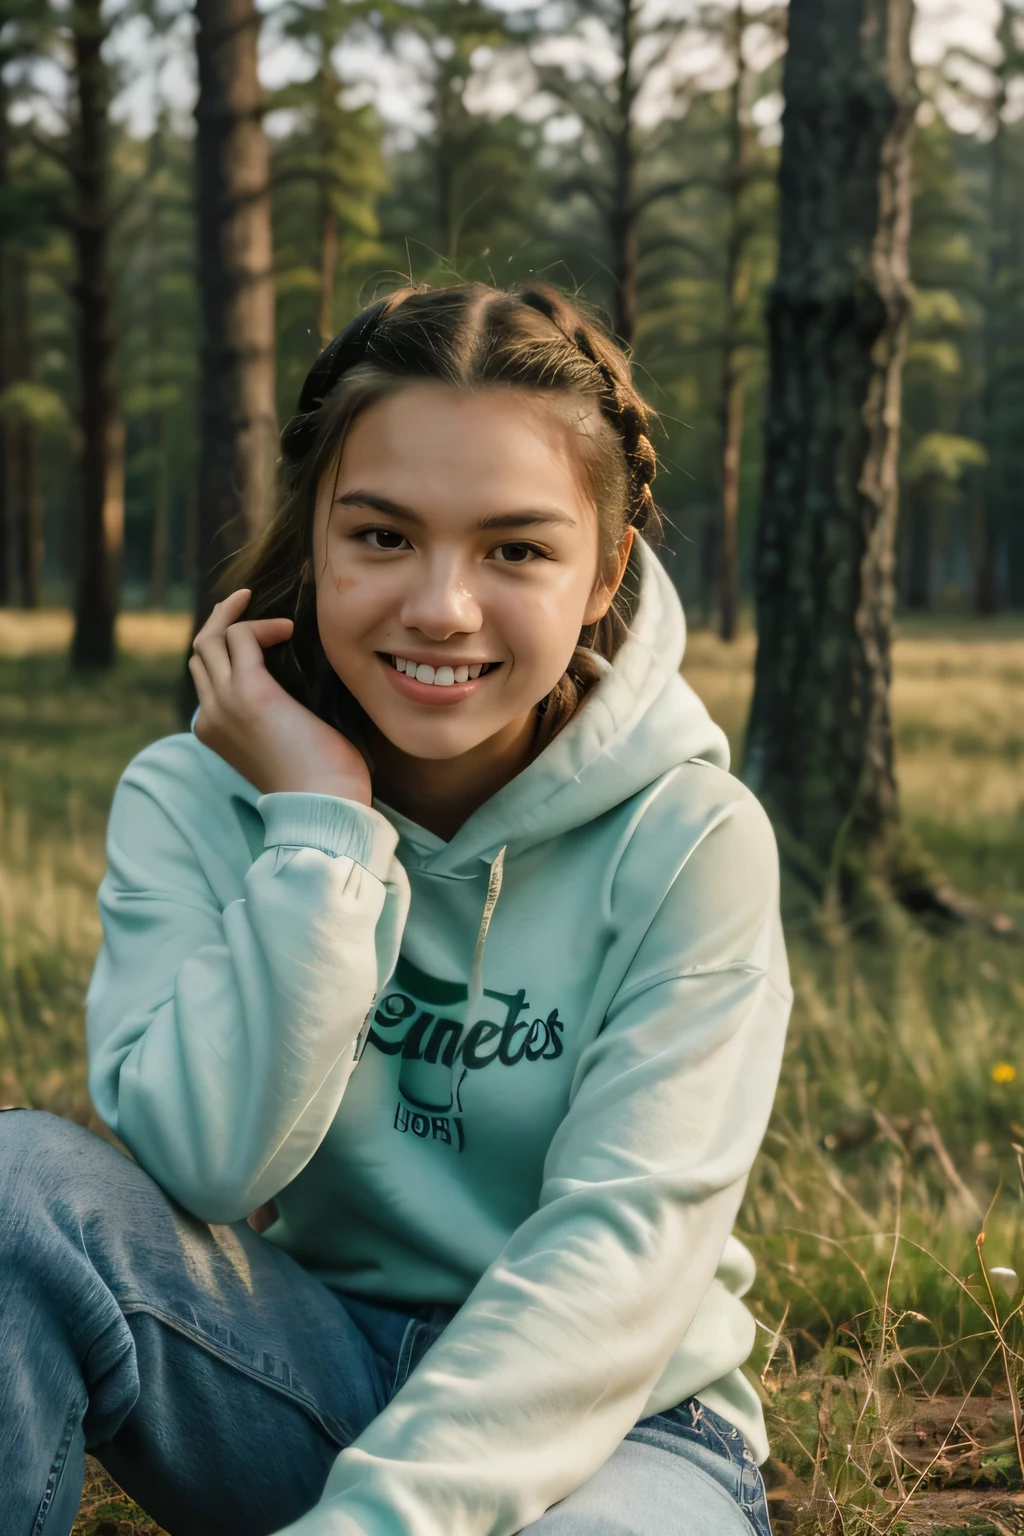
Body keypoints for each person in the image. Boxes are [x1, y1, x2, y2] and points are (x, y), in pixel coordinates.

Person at [0, 282, 792, 1536]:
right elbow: (206, 1168)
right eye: (381, 537)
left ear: (605, 573)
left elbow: (615, 1262)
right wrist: (320, 833)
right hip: (304, 1371)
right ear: (313, 538)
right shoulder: (191, 799)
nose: (441, 606)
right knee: (16, 1192)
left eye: (516, 549)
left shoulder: (690, 842)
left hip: (617, 1428)